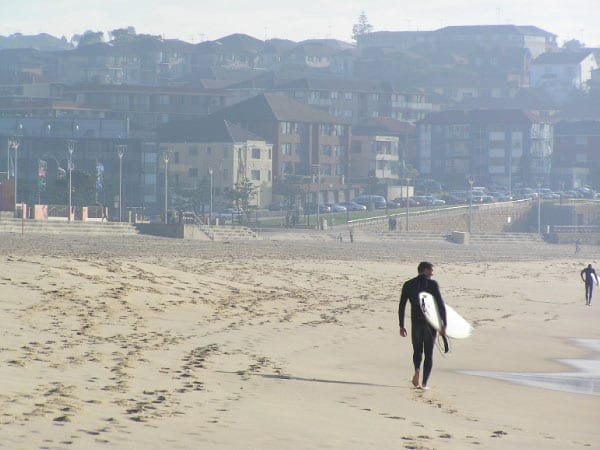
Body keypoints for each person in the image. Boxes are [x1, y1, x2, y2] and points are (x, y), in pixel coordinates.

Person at [398, 261, 447, 389]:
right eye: (431, 270)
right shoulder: (432, 284)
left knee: (417, 350)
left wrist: (401, 325)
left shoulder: (408, 284)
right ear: (425, 270)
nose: (432, 273)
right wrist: (443, 324)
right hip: (430, 323)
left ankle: (417, 369)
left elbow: (402, 306)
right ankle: (424, 383)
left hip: (416, 322)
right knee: (429, 353)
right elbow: (441, 305)